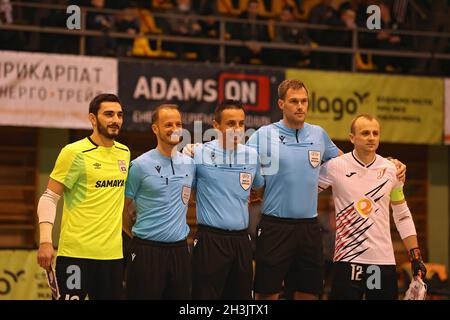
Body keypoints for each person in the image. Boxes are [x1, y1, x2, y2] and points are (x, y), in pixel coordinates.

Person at [318, 114, 427, 300]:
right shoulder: (334, 167)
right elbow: (303, 192)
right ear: (352, 137)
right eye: (365, 133)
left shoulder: (393, 170)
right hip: (347, 261)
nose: (371, 137)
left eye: (375, 133)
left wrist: (415, 256)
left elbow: (402, 215)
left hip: (382, 262)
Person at [36, 93, 130, 300]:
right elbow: (49, 197)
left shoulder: (124, 152)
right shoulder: (74, 152)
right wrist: (45, 241)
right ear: (93, 119)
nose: (115, 120)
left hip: (112, 258)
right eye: (108, 114)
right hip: (75, 256)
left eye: (119, 115)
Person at [191, 99, 264, 299]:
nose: (237, 129)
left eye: (241, 123)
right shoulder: (198, 153)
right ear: (216, 126)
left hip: (241, 241)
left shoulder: (252, 156)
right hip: (210, 240)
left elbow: (257, 188)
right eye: (231, 123)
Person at [123, 104, 195, 299]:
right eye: (168, 124)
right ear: (155, 129)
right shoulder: (139, 165)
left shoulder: (190, 163)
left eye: (178, 124)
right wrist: (136, 235)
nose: (174, 129)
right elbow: (123, 208)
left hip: (180, 250)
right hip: (146, 251)